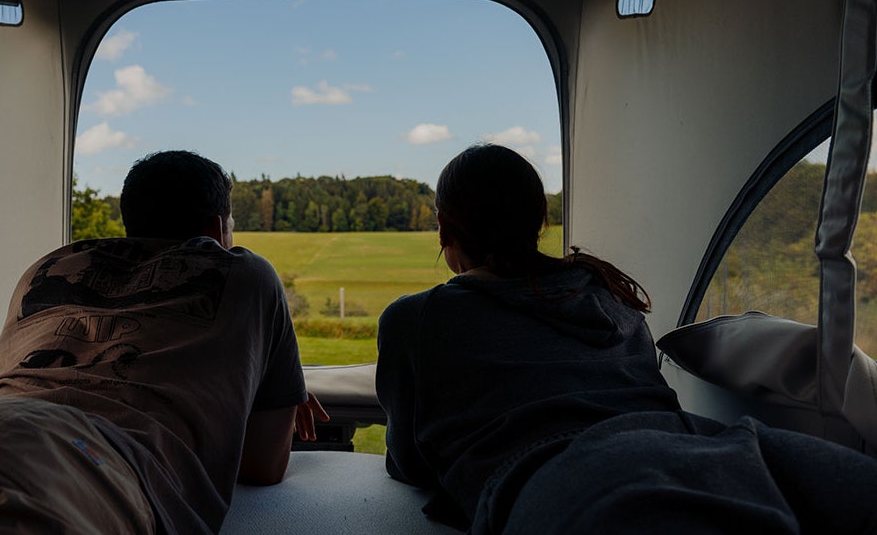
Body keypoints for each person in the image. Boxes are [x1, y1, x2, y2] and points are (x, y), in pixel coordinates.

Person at [0, 149, 327, 535]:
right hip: (65, 452)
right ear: (217, 227)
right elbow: (263, 465)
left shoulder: (52, 264)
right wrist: (262, 395)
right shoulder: (247, 273)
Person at [376, 143, 877, 535]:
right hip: (723, 443)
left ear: (443, 228)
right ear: (538, 221)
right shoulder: (606, 294)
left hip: (572, 477)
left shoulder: (417, 319)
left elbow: (412, 463)